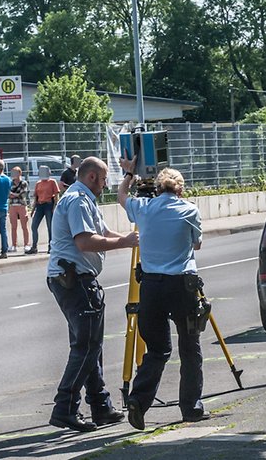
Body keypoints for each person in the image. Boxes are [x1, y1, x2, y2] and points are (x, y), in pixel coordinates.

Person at [46, 157, 139, 432]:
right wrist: (123, 242)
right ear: (90, 178)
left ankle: (100, 406)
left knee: (91, 347)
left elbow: (101, 231)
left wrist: (126, 238)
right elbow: (85, 241)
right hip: (75, 280)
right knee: (86, 347)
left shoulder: (84, 197)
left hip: (76, 280)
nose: (105, 184)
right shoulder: (78, 200)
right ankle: (65, 407)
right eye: (103, 179)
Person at [117, 160, 207, 430]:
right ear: (180, 190)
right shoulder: (190, 210)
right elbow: (197, 244)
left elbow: (121, 195)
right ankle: (191, 408)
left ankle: (138, 400)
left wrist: (130, 173)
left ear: (157, 189)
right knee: (190, 347)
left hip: (152, 287)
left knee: (157, 350)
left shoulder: (144, 209)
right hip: (182, 285)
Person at [27, 165, 60, 254]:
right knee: (34, 226)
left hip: (49, 205)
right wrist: (33, 209)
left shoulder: (52, 182)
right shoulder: (38, 183)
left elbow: (56, 195)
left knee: (50, 227)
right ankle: (34, 247)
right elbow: (36, 197)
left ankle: (51, 246)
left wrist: (54, 207)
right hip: (40, 205)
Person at [8, 166, 31, 252]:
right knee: (13, 226)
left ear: (20, 173)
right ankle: (14, 245)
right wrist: (16, 194)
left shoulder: (24, 183)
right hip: (12, 205)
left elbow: (23, 194)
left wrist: (13, 194)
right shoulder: (10, 183)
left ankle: (26, 244)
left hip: (21, 205)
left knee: (24, 226)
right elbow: (8, 194)